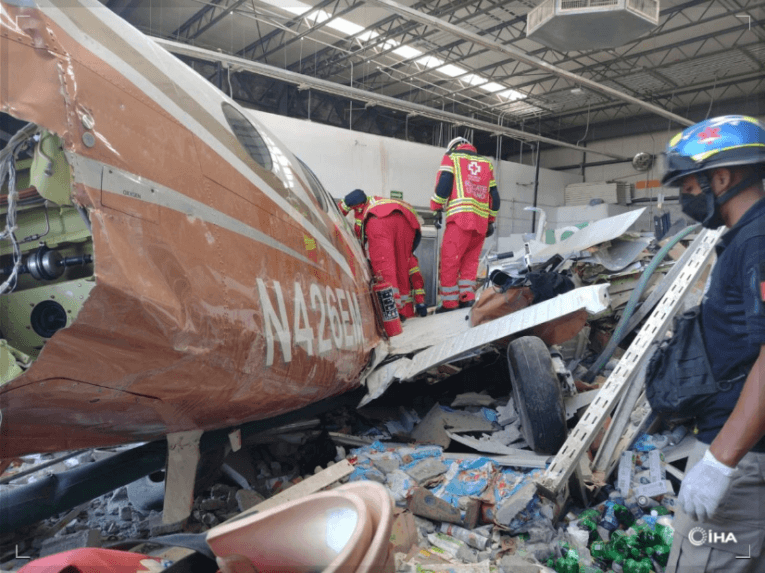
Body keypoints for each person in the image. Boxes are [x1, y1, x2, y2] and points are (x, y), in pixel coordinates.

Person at [660, 115, 765, 573]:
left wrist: (720, 462)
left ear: (720, 176)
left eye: (688, 185)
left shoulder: (757, 242)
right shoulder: (746, 238)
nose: (686, 196)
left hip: (741, 465)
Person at [430, 137, 500, 312]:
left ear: (453, 147)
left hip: (460, 219)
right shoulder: (486, 164)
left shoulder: (452, 157)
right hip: (480, 223)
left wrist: (436, 207)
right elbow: (495, 197)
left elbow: (444, 185)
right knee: (470, 262)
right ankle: (467, 298)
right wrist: (491, 219)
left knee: (449, 261)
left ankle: (449, 303)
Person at [338, 189, 423, 317]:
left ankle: (391, 313)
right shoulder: (381, 201)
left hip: (380, 222)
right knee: (402, 268)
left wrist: (338, 210)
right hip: (407, 221)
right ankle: (403, 311)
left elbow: (357, 195)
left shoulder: (365, 208)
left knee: (385, 269)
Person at [400, 253, 428, 318]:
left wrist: (420, 302)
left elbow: (416, 281)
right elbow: (417, 281)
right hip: (404, 312)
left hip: (400, 313)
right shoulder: (409, 258)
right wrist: (420, 302)